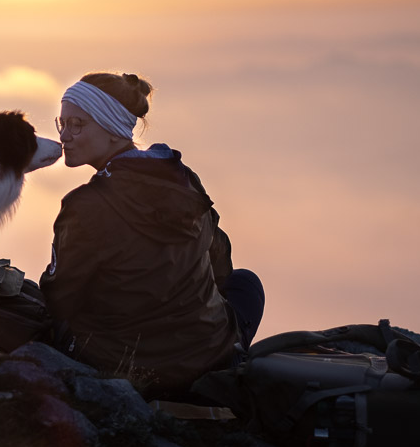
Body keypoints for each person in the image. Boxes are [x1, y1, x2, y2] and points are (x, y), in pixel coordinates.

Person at [39, 72, 264, 398]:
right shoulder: (184, 180)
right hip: (208, 358)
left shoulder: (85, 206)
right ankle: (228, 360)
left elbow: (61, 297)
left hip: (124, 363)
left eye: (77, 125)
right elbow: (220, 263)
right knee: (245, 284)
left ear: (113, 129)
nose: (64, 136)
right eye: (62, 124)